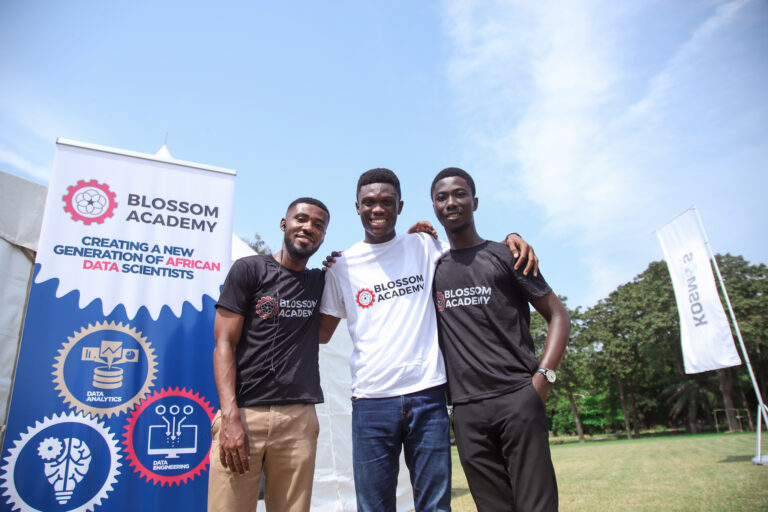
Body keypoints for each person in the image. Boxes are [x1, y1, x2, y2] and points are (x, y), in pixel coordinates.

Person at [317, 168, 539, 512]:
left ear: (400, 206)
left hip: (428, 397)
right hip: (371, 401)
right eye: (369, 202)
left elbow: (471, 249)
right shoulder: (342, 267)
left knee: (435, 507)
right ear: (357, 207)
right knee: (373, 507)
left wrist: (512, 237)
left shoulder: (424, 245)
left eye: (387, 202)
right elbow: (321, 332)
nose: (378, 209)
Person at [430, 167, 570, 512]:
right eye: (441, 197)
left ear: (474, 201)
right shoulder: (431, 267)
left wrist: (543, 378)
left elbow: (558, 316)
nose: (451, 201)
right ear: (433, 207)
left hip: (518, 399)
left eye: (459, 193)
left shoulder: (508, 255)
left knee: (537, 505)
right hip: (465, 411)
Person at [208, 197, 330, 512]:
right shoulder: (249, 269)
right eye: (301, 219)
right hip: (245, 415)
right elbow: (223, 343)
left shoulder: (320, 281)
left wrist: (412, 237)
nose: (309, 228)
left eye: (318, 225)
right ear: (284, 224)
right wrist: (230, 417)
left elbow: (324, 335)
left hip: (298, 418)